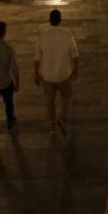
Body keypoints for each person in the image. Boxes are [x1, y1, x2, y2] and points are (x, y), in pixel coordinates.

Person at [33, 9, 78, 139]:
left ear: (49, 20)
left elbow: (37, 58)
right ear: (60, 20)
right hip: (64, 74)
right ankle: (62, 119)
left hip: (47, 76)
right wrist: (75, 70)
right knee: (65, 98)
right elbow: (75, 55)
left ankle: (52, 124)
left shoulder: (43, 37)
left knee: (49, 101)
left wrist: (36, 74)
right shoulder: (67, 36)